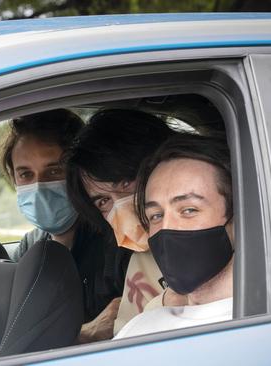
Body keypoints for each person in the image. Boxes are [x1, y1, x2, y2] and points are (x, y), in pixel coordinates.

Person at [0, 109, 123, 342]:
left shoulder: (116, 239)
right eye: (25, 174)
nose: (39, 186)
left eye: (54, 171)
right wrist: (85, 334)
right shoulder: (31, 247)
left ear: (78, 173)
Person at [65, 108, 186, 334]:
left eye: (126, 182)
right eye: (103, 201)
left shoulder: (229, 237)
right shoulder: (139, 264)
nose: (121, 206)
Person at [114, 134, 234, 338]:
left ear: (237, 219)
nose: (166, 227)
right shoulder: (138, 330)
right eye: (156, 215)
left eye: (189, 210)